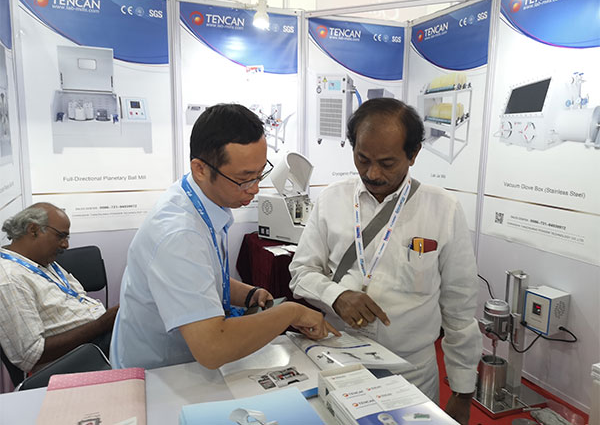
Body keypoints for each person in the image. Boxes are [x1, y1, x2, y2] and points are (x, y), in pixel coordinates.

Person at [289, 98, 481, 425]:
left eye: (387, 163)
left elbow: (459, 307)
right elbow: (300, 272)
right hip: (337, 362)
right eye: (362, 159)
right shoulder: (332, 199)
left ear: (413, 154)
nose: (372, 173)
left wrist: (463, 393)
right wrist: (336, 295)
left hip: (411, 372)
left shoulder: (443, 210)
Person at [111, 103, 338, 371]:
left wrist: (247, 294)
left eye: (260, 174)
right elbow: (212, 348)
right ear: (200, 169)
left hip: (180, 363)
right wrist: (291, 312)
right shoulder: (179, 235)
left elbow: (199, 275)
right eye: (244, 178)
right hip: (159, 372)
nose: (254, 189)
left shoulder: (197, 197)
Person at [0, 203, 118, 374]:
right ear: (33, 230)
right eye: (61, 236)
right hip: (76, 359)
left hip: (95, 340)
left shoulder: (42, 261)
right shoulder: (9, 279)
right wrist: (101, 324)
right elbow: (32, 355)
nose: (66, 245)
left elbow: (76, 296)